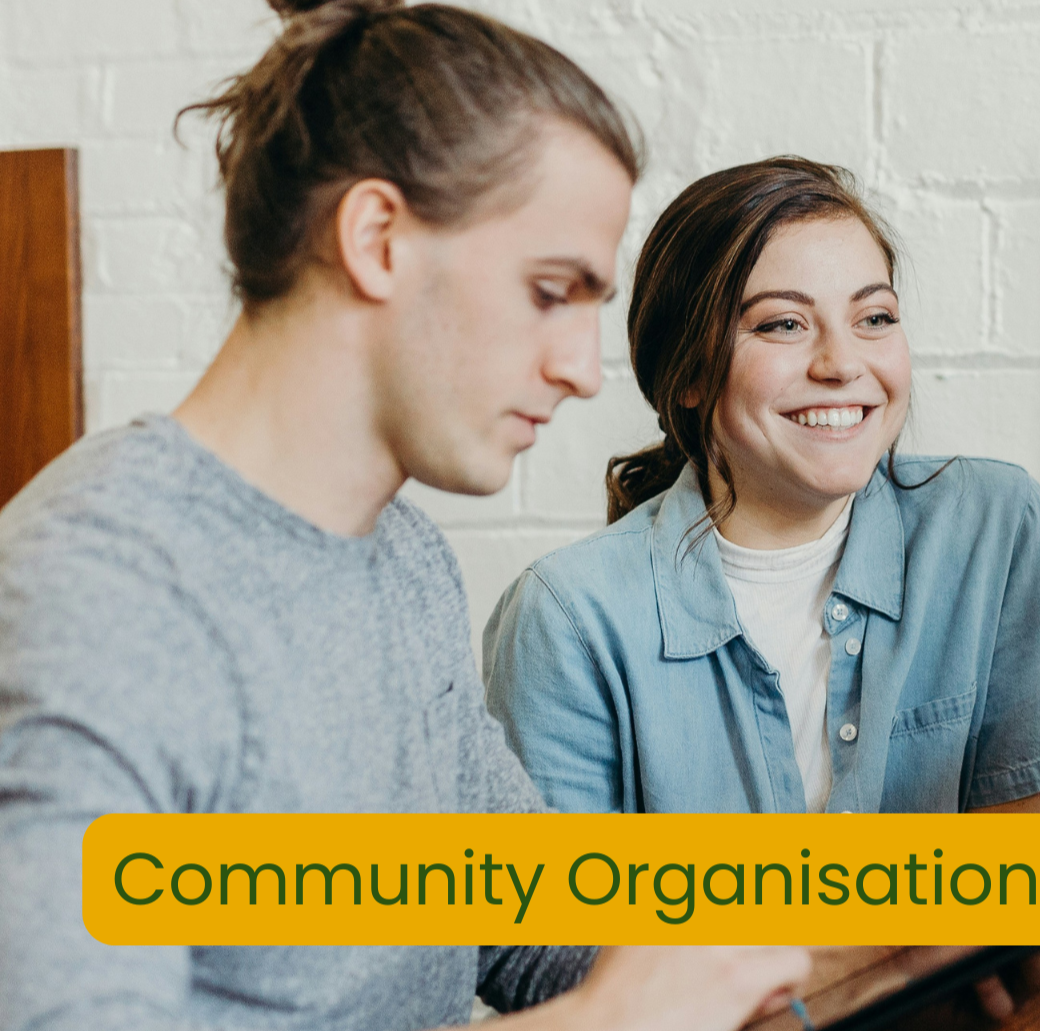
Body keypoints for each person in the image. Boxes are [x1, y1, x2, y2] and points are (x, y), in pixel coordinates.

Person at [0, 2, 807, 1029]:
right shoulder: (95, 598)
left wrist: (842, 959)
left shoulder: (402, 556)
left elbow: (533, 912)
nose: (579, 366)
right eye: (551, 290)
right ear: (377, 237)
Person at [483, 157, 1040, 818]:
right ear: (689, 375)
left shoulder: (993, 527)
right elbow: (565, 917)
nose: (842, 364)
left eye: (873, 317)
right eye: (783, 323)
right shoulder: (565, 618)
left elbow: (1003, 890)